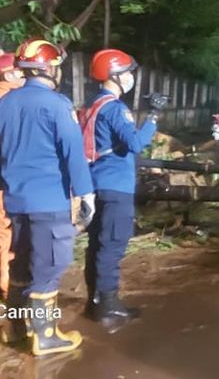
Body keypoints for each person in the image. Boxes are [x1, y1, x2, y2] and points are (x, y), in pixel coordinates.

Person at [0, 38, 95, 355]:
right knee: (49, 267)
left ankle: (13, 328)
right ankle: (45, 334)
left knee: (21, 266)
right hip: (50, 203)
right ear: (49, 68)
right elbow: (74, 155)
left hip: (17, 201)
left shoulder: (5, 104)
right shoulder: (57, 104)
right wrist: (86, 195)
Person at [80, 49, 167, 328]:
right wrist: (153, 117)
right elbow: (135, 143)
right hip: (116, 186)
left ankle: (94, 302)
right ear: (115, 75)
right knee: (112, 245)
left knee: (96, 245)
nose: (130, 77)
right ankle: (109, 307)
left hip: (95, 185)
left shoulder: (92, 105)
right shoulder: (115, 107)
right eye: (127, 72)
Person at [0, 52, 24, 301]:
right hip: (5, 179)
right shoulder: (9, 100)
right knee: (4, 235)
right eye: (19, 70)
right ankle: (7, 292)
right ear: (8, 74)